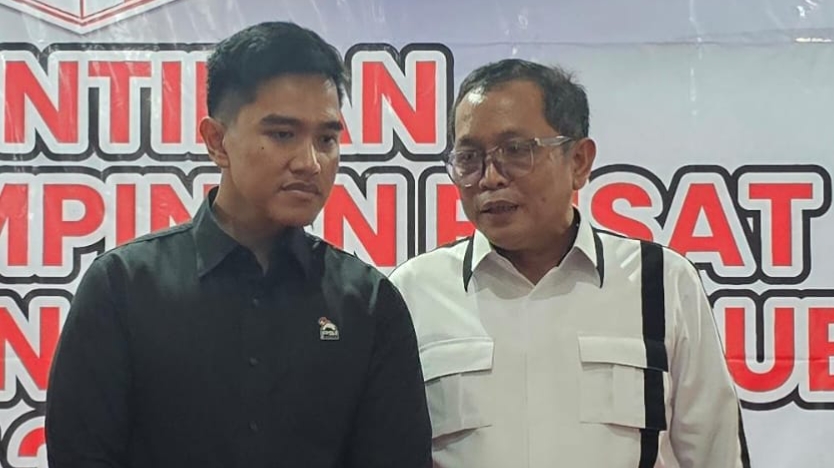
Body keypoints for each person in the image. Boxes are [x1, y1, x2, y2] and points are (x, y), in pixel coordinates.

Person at [45, 21, 431, 468]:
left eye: (326, 139)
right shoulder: (123, 288)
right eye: (282, 134)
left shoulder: (368, 304)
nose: (310, 162)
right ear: (217, 141)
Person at [389, 58, 750, 468]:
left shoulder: (661, 282)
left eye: (515, 151)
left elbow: (716, 454)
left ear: (578, 161)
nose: (490, 178)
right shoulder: (413, 292)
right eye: (469, 157)